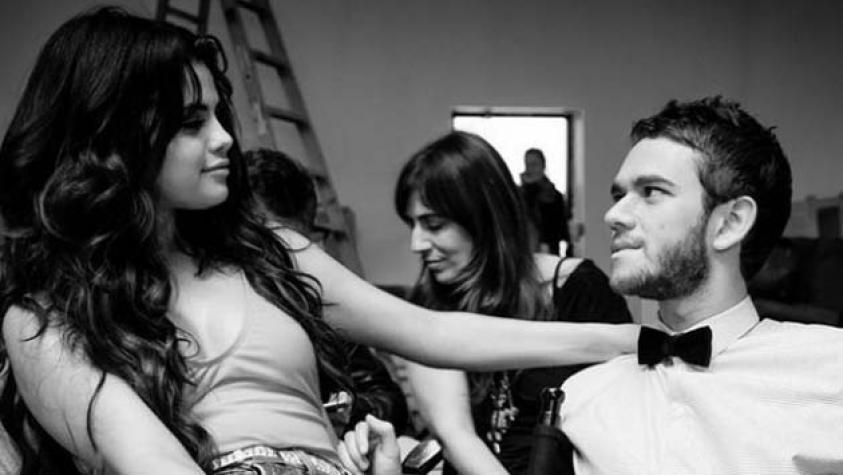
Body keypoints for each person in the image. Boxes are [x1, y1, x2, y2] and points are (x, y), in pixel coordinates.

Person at [0, 8, 640, 474]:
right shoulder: (43, 320)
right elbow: (152, 461)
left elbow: (432, 332)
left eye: (219, 114)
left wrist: (629, 340)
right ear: (113, 140)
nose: (225, 139)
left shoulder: (266, 251)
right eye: (192, 123)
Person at [556, 97, 843, 473]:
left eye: (651, 191)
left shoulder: (831, 371)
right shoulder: (580, 400)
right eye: (618, 195)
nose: (613, 214)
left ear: (730, 223)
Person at [391, 131, 631, 474]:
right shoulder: (430, 306)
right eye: (412, 224)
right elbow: (456, 435)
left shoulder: (579, 288)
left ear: (483, 217)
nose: (416, 243)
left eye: (434, 224)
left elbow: (622, 420)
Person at [245, 147, 410, 435]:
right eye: (260, 243)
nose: (269, 263)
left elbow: (388, 401)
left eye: (289, 248)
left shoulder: (316, 305)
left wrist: (344, 411)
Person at [520, 148, 571, 256]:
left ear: (543, 166)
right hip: (525, 250)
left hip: (550, 250)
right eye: (528, 165)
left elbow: (562, 228)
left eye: (534, 164)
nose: (530, 169)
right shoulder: (519, 196)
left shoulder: (554, 196)